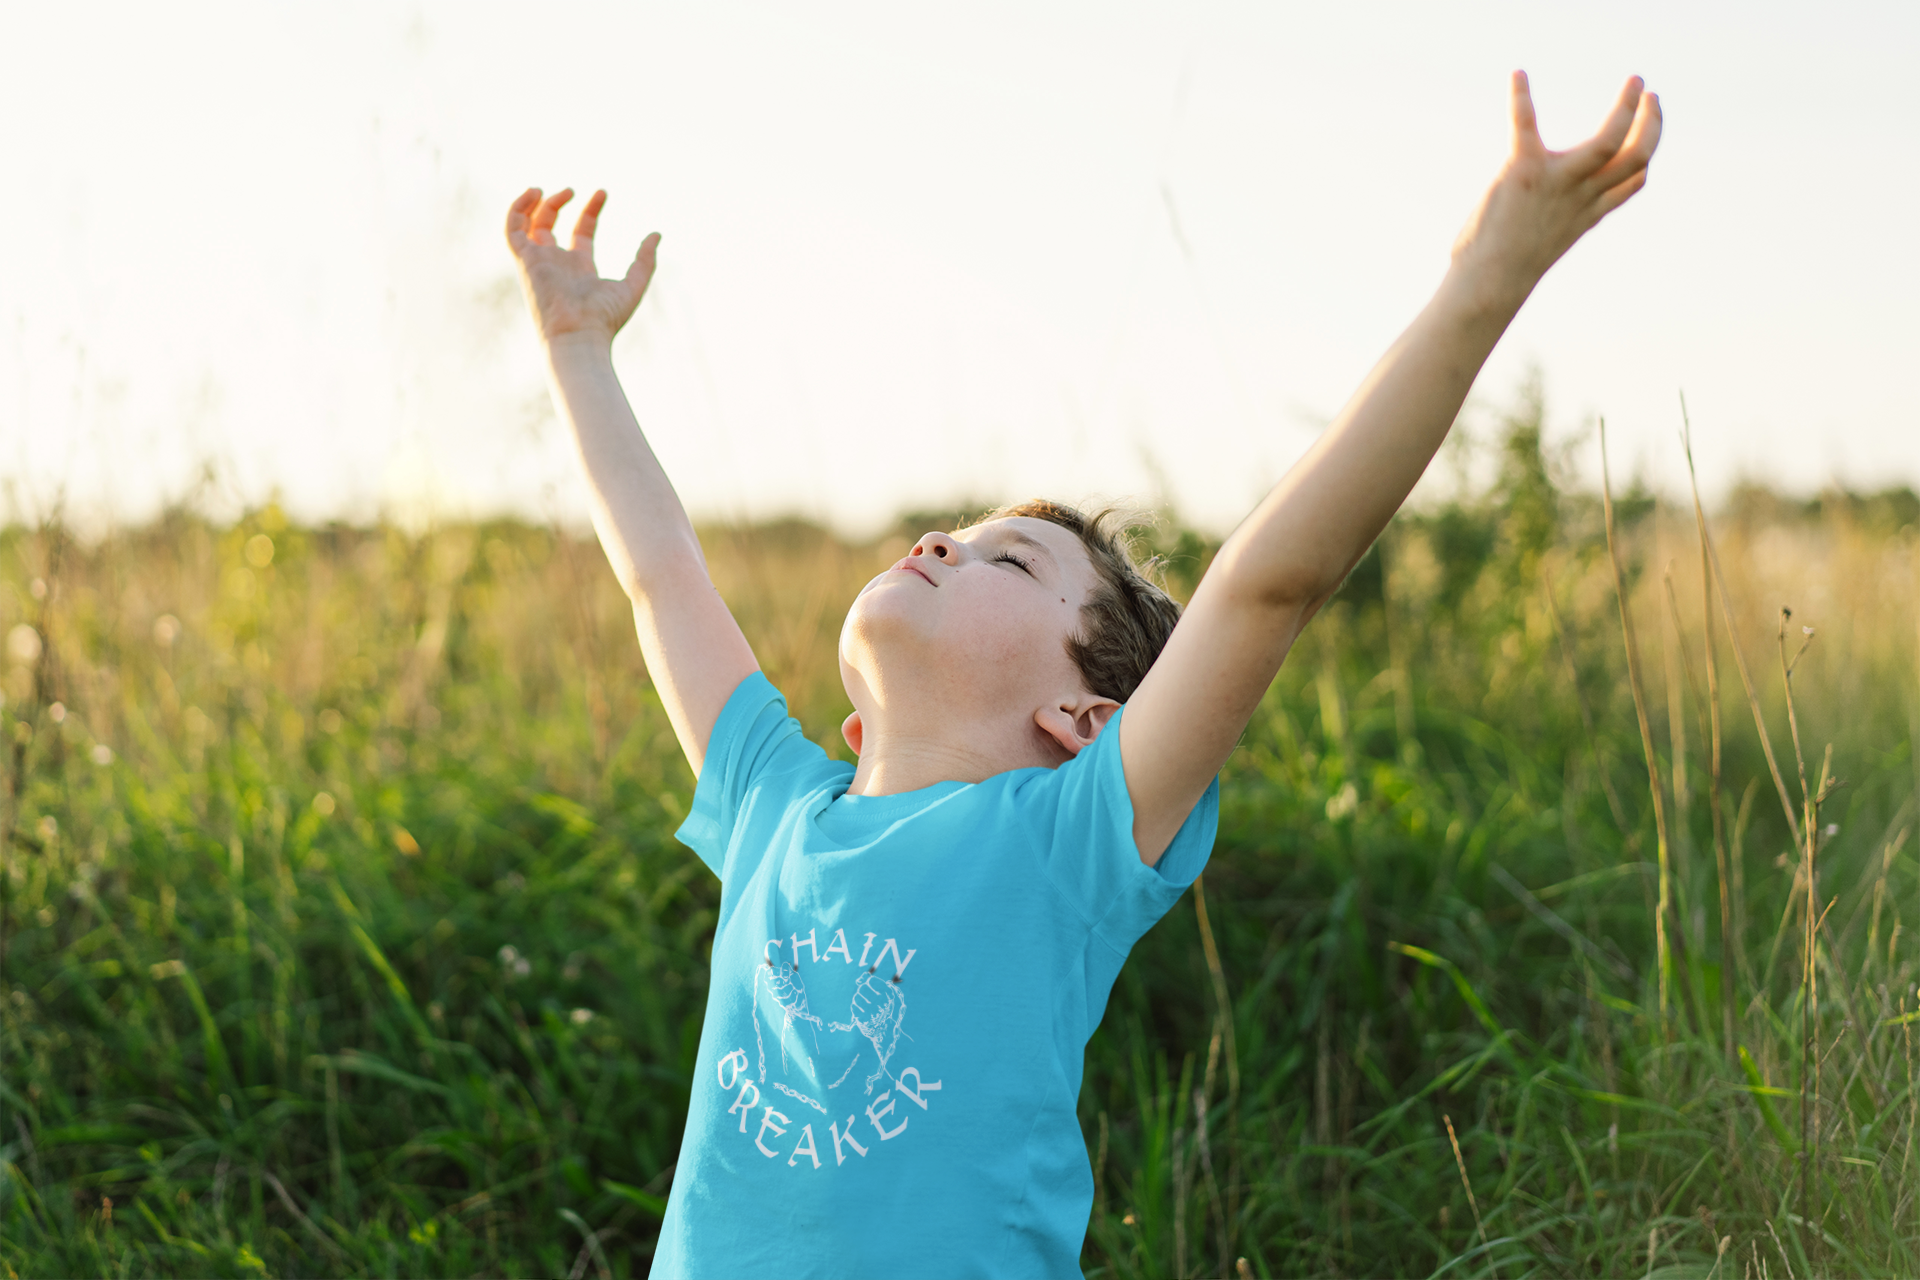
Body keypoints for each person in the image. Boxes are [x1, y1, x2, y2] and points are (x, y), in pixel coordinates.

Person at [505, 71, 1661, 1278]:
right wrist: (576, 346)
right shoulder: (771, 811)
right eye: (954, 533)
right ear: (852, 722)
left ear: (1086, 715)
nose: (940, 541)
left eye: (1010, 556)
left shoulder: (1065, 840)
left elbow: (1269, 585)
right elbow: (660, 575)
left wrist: (1485, 280)